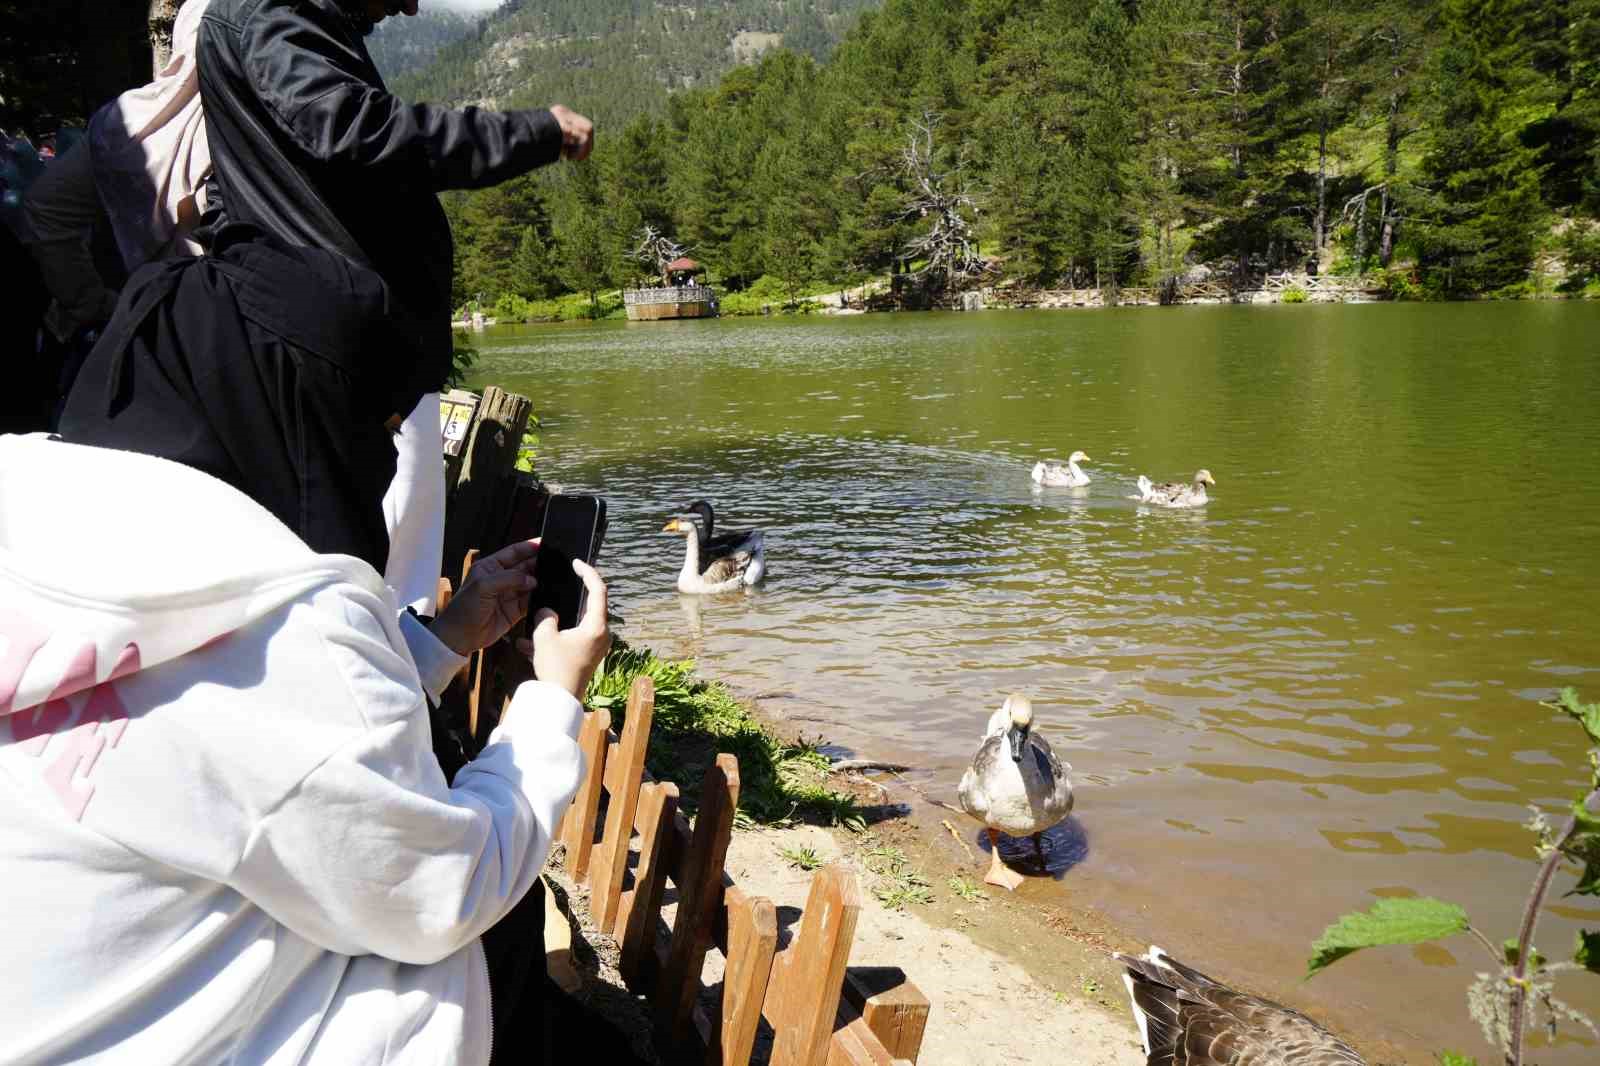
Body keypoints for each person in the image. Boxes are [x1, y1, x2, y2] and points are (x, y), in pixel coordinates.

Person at [0, 414, 612, 1063]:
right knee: (499, 930)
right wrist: (553, 696)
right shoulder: (259, 699)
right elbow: (442, 890)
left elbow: (288, 692)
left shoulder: (50, 548)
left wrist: (443, 639)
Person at [58, 0, 595, 576]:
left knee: (324, 568)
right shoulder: (275, 11)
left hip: (315, 347)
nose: (411, 7)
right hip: (309, 353)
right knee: (333, 576)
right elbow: (350, 127)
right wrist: (535, 132)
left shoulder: (276, 20)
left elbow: (234, 186)